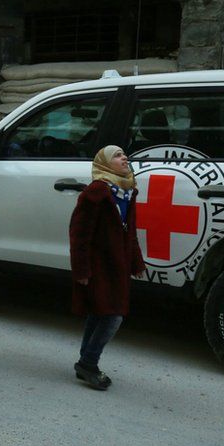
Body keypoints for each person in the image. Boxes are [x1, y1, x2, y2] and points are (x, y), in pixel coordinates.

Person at [69, 145, 145, 390]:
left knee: (99, 312)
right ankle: (89, 362)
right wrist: (81, 270)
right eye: (117, 155)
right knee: (113, 316)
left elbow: (129, 231)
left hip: (118, 264)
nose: (125, 158)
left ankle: (85, 360)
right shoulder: (96, 192)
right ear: (104, 164)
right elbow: (79, 235)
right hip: (98, 264)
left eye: (124, 154)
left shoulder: (126, 190)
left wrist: (136, 262)